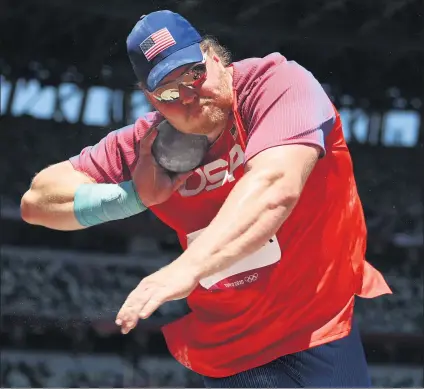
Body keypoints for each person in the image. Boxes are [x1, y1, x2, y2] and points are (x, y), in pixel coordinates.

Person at [21, 10, 392, 388]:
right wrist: (131, 197)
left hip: (321, 325)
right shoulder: (149, 144)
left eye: (192, 73)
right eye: (167, 92)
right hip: (235, 351)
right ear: (151, 100)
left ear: (215, 57)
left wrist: (188, 267)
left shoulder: (277, 85)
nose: (186, 95)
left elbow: (275, 186)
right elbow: (37, 201)